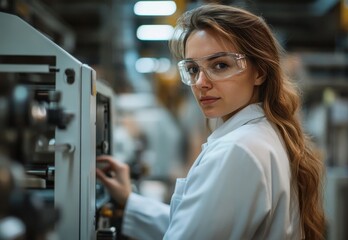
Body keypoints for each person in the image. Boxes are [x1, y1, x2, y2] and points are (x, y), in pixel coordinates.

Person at [96, 3, 326, 240]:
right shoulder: (262, 135)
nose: (200, 82)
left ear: (259, 72)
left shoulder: (238, 149)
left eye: (220, 65)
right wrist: (131, 202)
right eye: (194, 69)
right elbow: (197, 223)